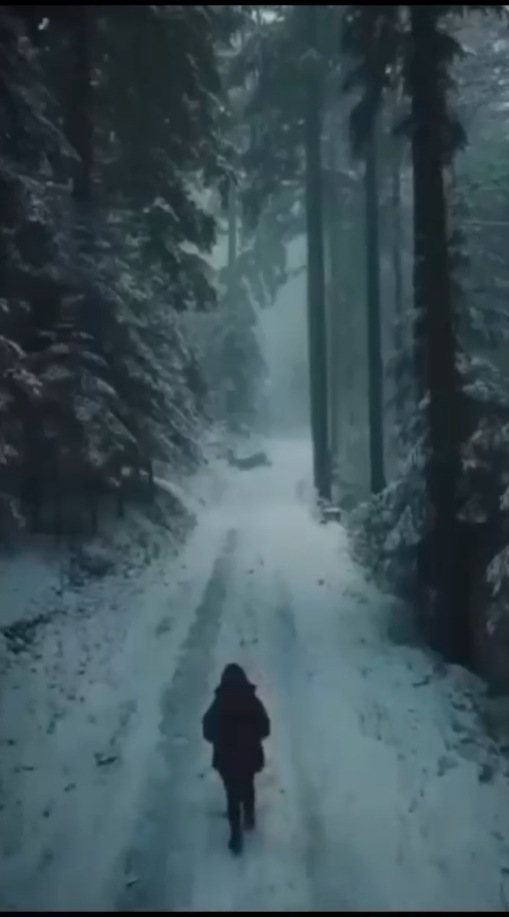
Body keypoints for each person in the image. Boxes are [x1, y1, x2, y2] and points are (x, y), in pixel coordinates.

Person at [202, 663, 271, 855]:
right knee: (248, 785)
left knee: (231, 794)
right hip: (249, 756)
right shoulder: (252, 700)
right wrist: (253, 737)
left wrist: (219, 739)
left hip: (227, 758)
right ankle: (249, 818)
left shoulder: (219, 702)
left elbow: (207, 730)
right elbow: (265, 728)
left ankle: (235, 835)